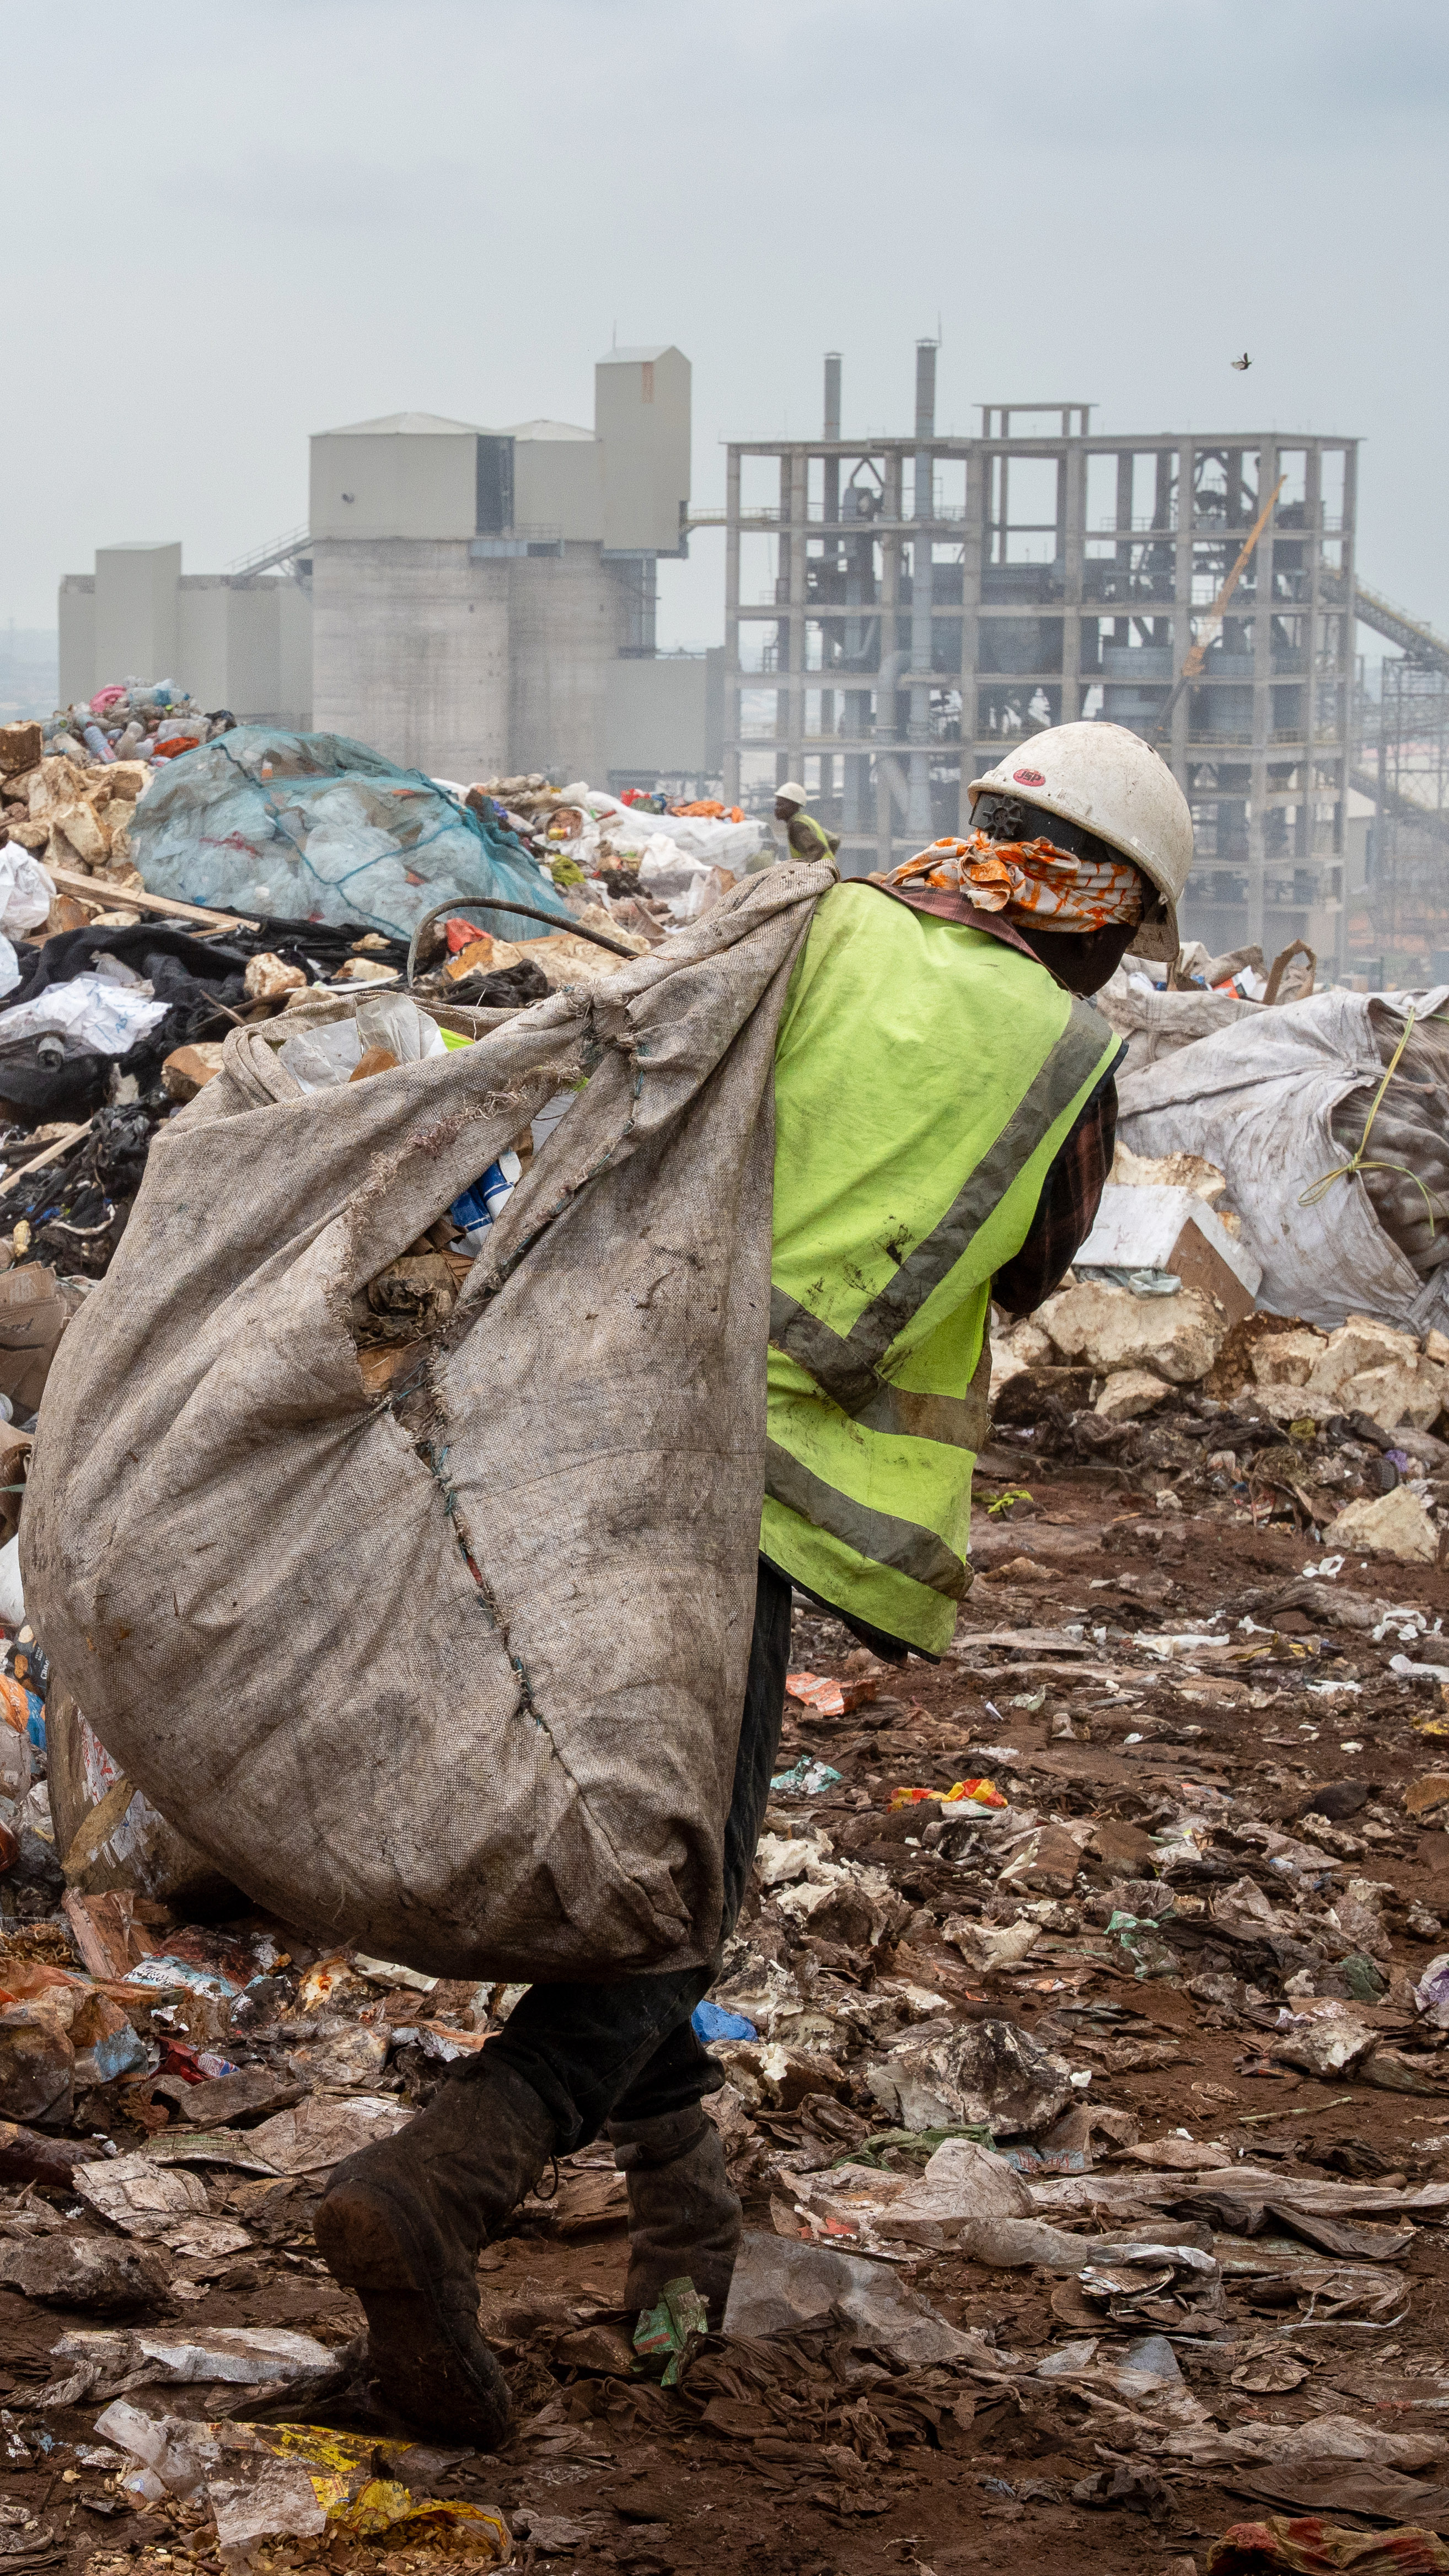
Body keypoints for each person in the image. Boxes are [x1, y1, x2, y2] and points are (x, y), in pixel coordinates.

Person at [314, 722, 1194, 2443]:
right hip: (764, 1521)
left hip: (571, 1448)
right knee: (671, 1909)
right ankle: (440, 2185)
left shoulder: (814, 920)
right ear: (1102, 909)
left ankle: (684, 2219)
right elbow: (1027, 1278)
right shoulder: (1063, 1056)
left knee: (656, 1861)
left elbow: (607, 1104)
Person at [774, 779, 840, 863]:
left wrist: (797, 868)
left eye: (780, 805)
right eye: (777, 805)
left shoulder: (797, 826)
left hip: (819, 874)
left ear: (794, 805)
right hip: (827, 872)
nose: (777, 809)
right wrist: (828, 862)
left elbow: (818, 849)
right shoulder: (806, 820)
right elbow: (834, 840)